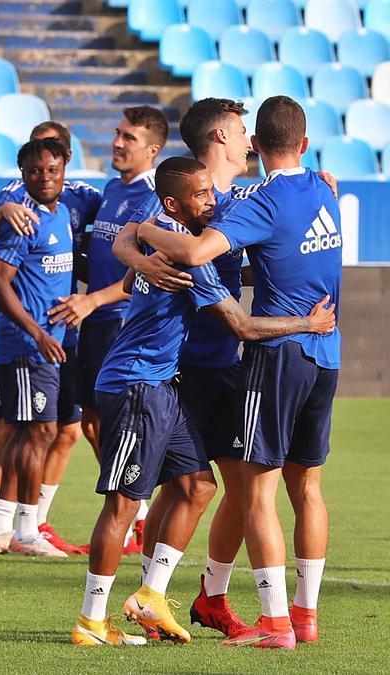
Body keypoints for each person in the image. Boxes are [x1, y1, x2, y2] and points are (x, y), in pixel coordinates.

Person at [73, 156, 335, 647]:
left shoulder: (163, 226)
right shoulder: (189, 256)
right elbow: (241, 325)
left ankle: (151, 595)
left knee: (197, 486)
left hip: (161, 383)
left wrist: (138, 257)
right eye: (202, 195)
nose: (211, 200)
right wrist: (308, 323)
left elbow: (132, 258)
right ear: (178, 200)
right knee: (125, 505)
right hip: (135, 385)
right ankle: (91, 622)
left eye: (212, 192)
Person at [137, 96, 343, 649]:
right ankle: (153, 594)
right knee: (193, 488)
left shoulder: (246, 200)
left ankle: (231, 604)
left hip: (259, 362)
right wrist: (141, 242)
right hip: (201, 368)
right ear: (228, 140)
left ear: (256, 144)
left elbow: (218, 243)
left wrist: (142, 238)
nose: (247, 136)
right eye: (238, 127)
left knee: (240, 491)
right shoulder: (187, 204)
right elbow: (156, 240)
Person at [0, 121, 103, 556]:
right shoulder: (23, 220)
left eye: (52, 169)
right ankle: (21, 532)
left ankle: (3, 529)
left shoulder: (64, 214)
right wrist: (37, 332)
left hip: (52, 341)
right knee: (35, 431)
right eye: (35, 171)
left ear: (65, 167)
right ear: (23, 174)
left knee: (40, 433)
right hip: (28, 345)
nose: (44, 178)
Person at [79, 106, 169, 555]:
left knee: (112, 423)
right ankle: (135, 509)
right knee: (91, 423)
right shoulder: (112, 188)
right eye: (116, 134)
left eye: (127, 137)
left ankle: (137, 512)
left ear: (152, 149)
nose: (116, 142)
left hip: (121, 325)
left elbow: (147, 270)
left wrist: (95, 298)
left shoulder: (153, 197)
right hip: (91, 322)